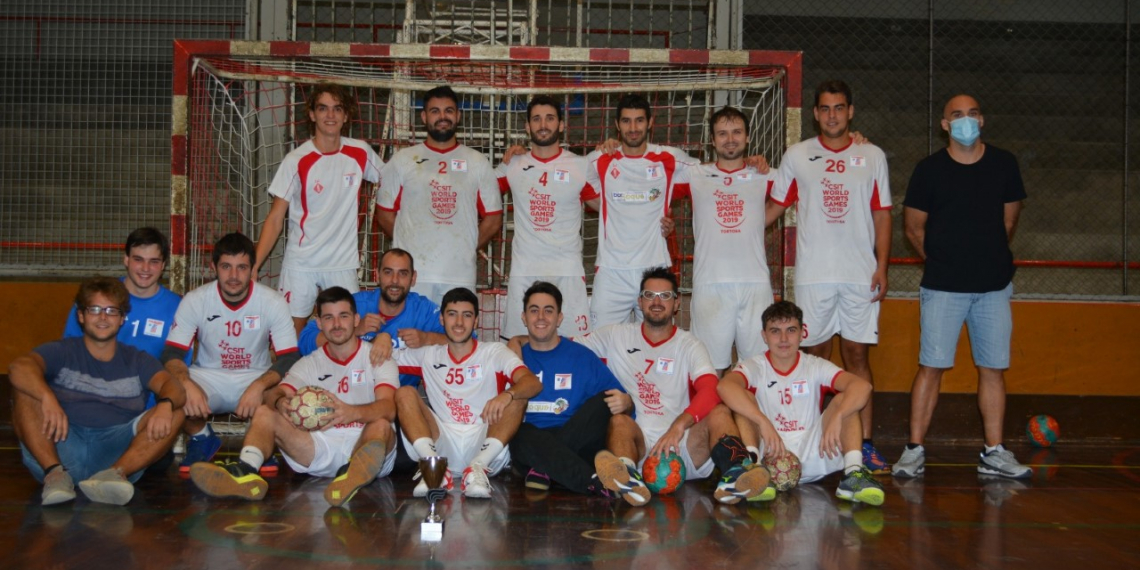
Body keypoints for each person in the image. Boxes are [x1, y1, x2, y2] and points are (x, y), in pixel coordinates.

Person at [896, 94, 1030, 480]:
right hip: (943, 288)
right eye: (957, 115)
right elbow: (913, 228)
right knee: (931, 367)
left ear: (982, 120)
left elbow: (1009, 222)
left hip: (994, 288)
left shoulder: (1004, 164)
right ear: (945, 124)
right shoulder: (928, 170)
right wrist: (944, 262)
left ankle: (994, 452)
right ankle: (914, 449)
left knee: (993, 369)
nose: (965, 120)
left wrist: (984, 260)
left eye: (972, 114)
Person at [767, 80, 893, 473]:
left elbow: (882, 214)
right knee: (813, 358)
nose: (832, 115)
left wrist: (882, 265)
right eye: (825, 108)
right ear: (815, 113)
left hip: (859, 276)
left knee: (857, 357)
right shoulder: (797, 155)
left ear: (850, 111)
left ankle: (864, 444)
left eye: (839, 108)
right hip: (814, 277)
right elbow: (773, 207)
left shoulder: (871, 155)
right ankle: (807, 440)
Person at [189, 287, 400, 506]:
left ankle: (350, 474)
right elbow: (275, 393)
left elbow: (389, 408)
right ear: (319, 323)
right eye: (329, 318)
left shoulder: (376, 356)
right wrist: (280, 402)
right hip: (318, 445)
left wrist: (351, 412)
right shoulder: (309, 362)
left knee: (382, 425)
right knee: (265, 412)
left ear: (356, 320)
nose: (336, 324)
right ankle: (246, 472)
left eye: (343, 316)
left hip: (365, 444)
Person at [577, 267, 768, 506]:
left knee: (719, 411)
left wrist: (678, 426)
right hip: (639, 444)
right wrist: (532, 339)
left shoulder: (689, 345)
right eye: (649, 295)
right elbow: (568, 349)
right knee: (618, 421)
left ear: (676, 303)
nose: (657, 302)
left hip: (684, 445)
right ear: (640, 301)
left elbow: (710, 389)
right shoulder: (615, 336)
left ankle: (735, 474)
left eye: (665, 296)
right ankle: (627, 478)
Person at [10, 277, 186, 505]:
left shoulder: (137, 359)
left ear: (122, 319)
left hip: (114, 449)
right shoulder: (61, 351)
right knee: (25, 388)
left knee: (175, 411)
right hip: (63, 443)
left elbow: (173, 387)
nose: (103, 317)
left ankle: (114, 475)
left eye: (111, 311)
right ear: (81, 316)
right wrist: (47, 396)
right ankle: (54, 476)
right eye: (94, 309)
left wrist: (165, 404)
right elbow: (19, 367)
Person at [717, 301, 886, 506]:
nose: (783, 339)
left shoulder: (815, 365)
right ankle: (755, 471)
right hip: (770, 449)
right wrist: (762, 421)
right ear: (764, 336)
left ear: (802, 333)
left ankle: (853, 474)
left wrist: (839, 415)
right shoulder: (755, 366)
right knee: (744, 399)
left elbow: (863, 387)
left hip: (816, 449)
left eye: (791, 330)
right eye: (775, 331)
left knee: (846, 400)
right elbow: (724, 387)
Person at [161, 232, 300, 472]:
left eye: (241, 267)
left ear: (253, 269)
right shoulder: (196, 300)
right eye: (226, 267)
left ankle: (260, 442)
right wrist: (186, 384)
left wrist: (258, 386)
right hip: (208, 377)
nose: (234, 276)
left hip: (255, 376)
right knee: (174, 390)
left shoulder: (272, 302)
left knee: (282, 396)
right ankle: (202, 438)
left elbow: (289, 357)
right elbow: (171, 355)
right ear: (214, 267)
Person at [254, 83, 383, 334]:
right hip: (301, 262)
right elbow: (275, 218)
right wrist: (255, 264)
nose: (330, 115)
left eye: (337, 109)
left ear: (346, 115)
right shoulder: (296, 160)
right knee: (289, 334)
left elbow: (390, 180)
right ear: (312, 114)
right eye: (323, 108)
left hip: (342, 264)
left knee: (348, 332)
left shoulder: (360, 152)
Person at [392, 287, 542, 499]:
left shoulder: (493, 351)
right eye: (452, 314)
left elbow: (532, 383)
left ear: (476, 321)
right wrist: (382, 339)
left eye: (467, 315)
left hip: (485, 438)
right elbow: (375, 357)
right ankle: (433, 469)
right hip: (442, 439)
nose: (459, 322)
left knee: (517, 397)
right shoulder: (427, 355)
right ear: (442, 319)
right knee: (405, 393)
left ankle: (477, 468)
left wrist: (507, 395)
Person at [376, 85, 504, 305]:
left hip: (459, 275)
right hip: (414, 277)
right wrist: (410, 243)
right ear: (424, 117)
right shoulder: (402, 160)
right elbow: (384, 214)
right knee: (412, 328)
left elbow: (493, 219)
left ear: (458, 116)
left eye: (448, 111)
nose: (442, 117)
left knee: (457, 328)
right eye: (435, 111)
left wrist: (466, 246)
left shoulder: (477, 162)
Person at [674, 106, 777, 374]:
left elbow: (797, 189)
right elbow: (651, 180)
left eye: (736, 132)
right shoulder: (695, 175)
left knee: (758, 369)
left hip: (755, 284)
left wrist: (759, 221)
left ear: (748, 137)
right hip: (710, 284)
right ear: (712, 139)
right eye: (722, 133)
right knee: (709, 370)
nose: (730, 139)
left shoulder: (765, 175)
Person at [583, 93, 700, 328]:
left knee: (656, 340)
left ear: (650, 122)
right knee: (599, 342)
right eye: (626, 121)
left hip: (654, 269)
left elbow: (713, 174)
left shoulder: (669, 158)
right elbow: (573, 183)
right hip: (611, 271)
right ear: (617, 125)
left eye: (639, 120)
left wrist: (749, 166)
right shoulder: (599, 160)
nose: (633, 128)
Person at [507, 281, 633, 496]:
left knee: (605, 400)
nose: (541, 317)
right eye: (534, 310)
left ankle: (544, 469)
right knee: (519, 432)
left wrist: (627, 402)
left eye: (548, 311)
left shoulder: (581, 356)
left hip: (575, 442)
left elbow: (622, 404)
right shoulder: (511, 358)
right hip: (531, 444)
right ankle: (594, 483)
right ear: (524, 317)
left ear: (559, 318)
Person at [495, 95, 597, 339]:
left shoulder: (580, 165)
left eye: (550, 118)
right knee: (518, 347)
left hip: (567, 272)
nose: (543, 125)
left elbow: (609, 208)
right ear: (527, 126)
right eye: (536, 119)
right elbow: (477, 193)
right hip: (524, 271)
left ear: (561, 125)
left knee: (575, 346)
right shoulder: (513, 164)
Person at [297, 248, 447, 386]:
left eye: (403, 273)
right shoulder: (355, 304)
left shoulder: (423, 310)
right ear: (378, 275)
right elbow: (305, 341)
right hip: (350, 390)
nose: (395, 280)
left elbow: (461, 340)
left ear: (413, 278)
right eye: (388, 272)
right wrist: (354, 330)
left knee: (406, 396)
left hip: (399, 396)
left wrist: (427, 338)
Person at [63, 227, 186, 372]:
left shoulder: (178, 307)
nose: (145, 268)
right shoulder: (96, 296)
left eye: (154, 261)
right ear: (126, 260)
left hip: (151, 385)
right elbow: (70, 349)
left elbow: (178, 365)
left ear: (163, 265)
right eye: (138, 259)